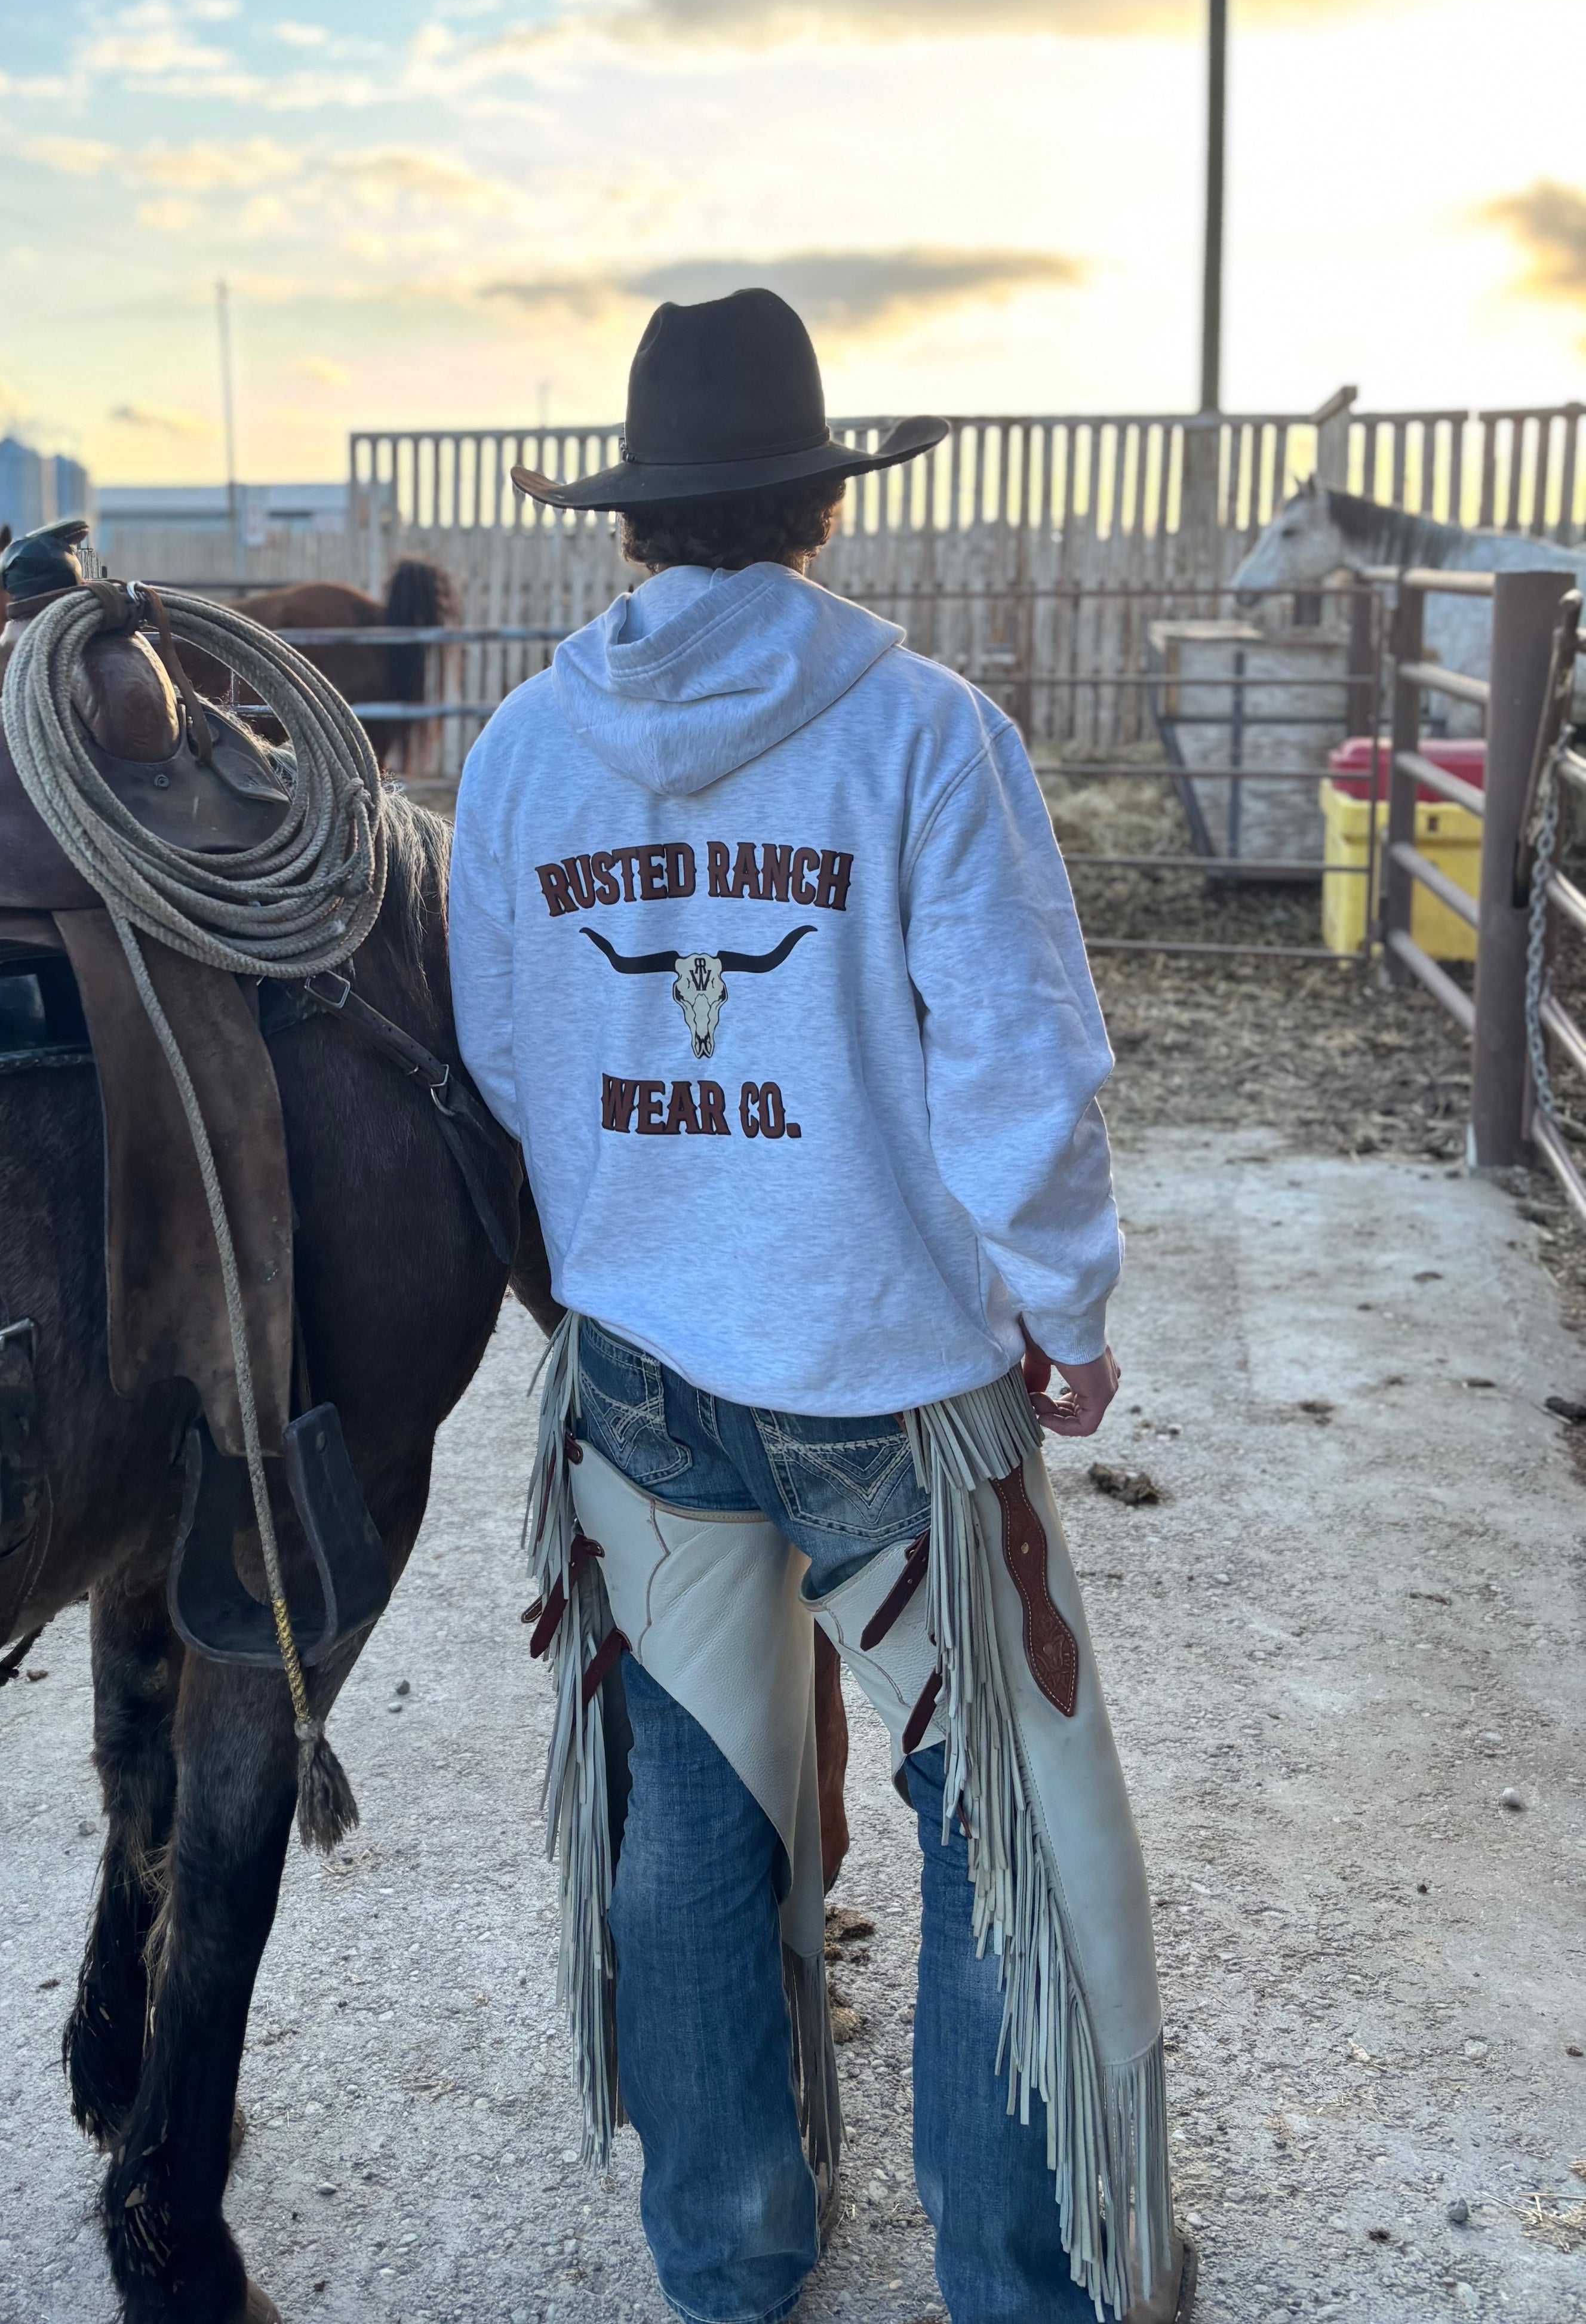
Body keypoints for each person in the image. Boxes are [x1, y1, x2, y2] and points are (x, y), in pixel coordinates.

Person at [448, 289, 1191, 2324]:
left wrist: (654, 1207)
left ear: (629, 521)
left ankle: (731, 2253)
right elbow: (1018, 1075)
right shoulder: (925, 735)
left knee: (688, 1796)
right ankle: (1019, 2278)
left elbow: (510, 1068)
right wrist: (1068, 1309)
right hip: (892, 1380)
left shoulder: (521, 756)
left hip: (646, 1381)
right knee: (997, 1817)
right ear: (817, 506)